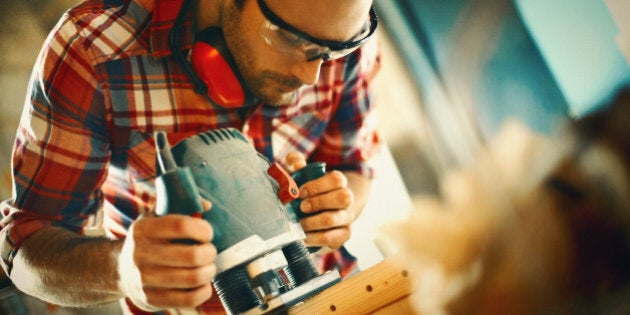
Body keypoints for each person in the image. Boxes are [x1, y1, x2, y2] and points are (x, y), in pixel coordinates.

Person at [0, 0, 381, 313]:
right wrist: (123, 271)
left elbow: (354, 165)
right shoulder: (95, 52)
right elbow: (26, 250)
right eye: (288, 38)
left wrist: (334, 209)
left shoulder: (340, 35)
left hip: (333, 295)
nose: (313, 73)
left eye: (336, 49)